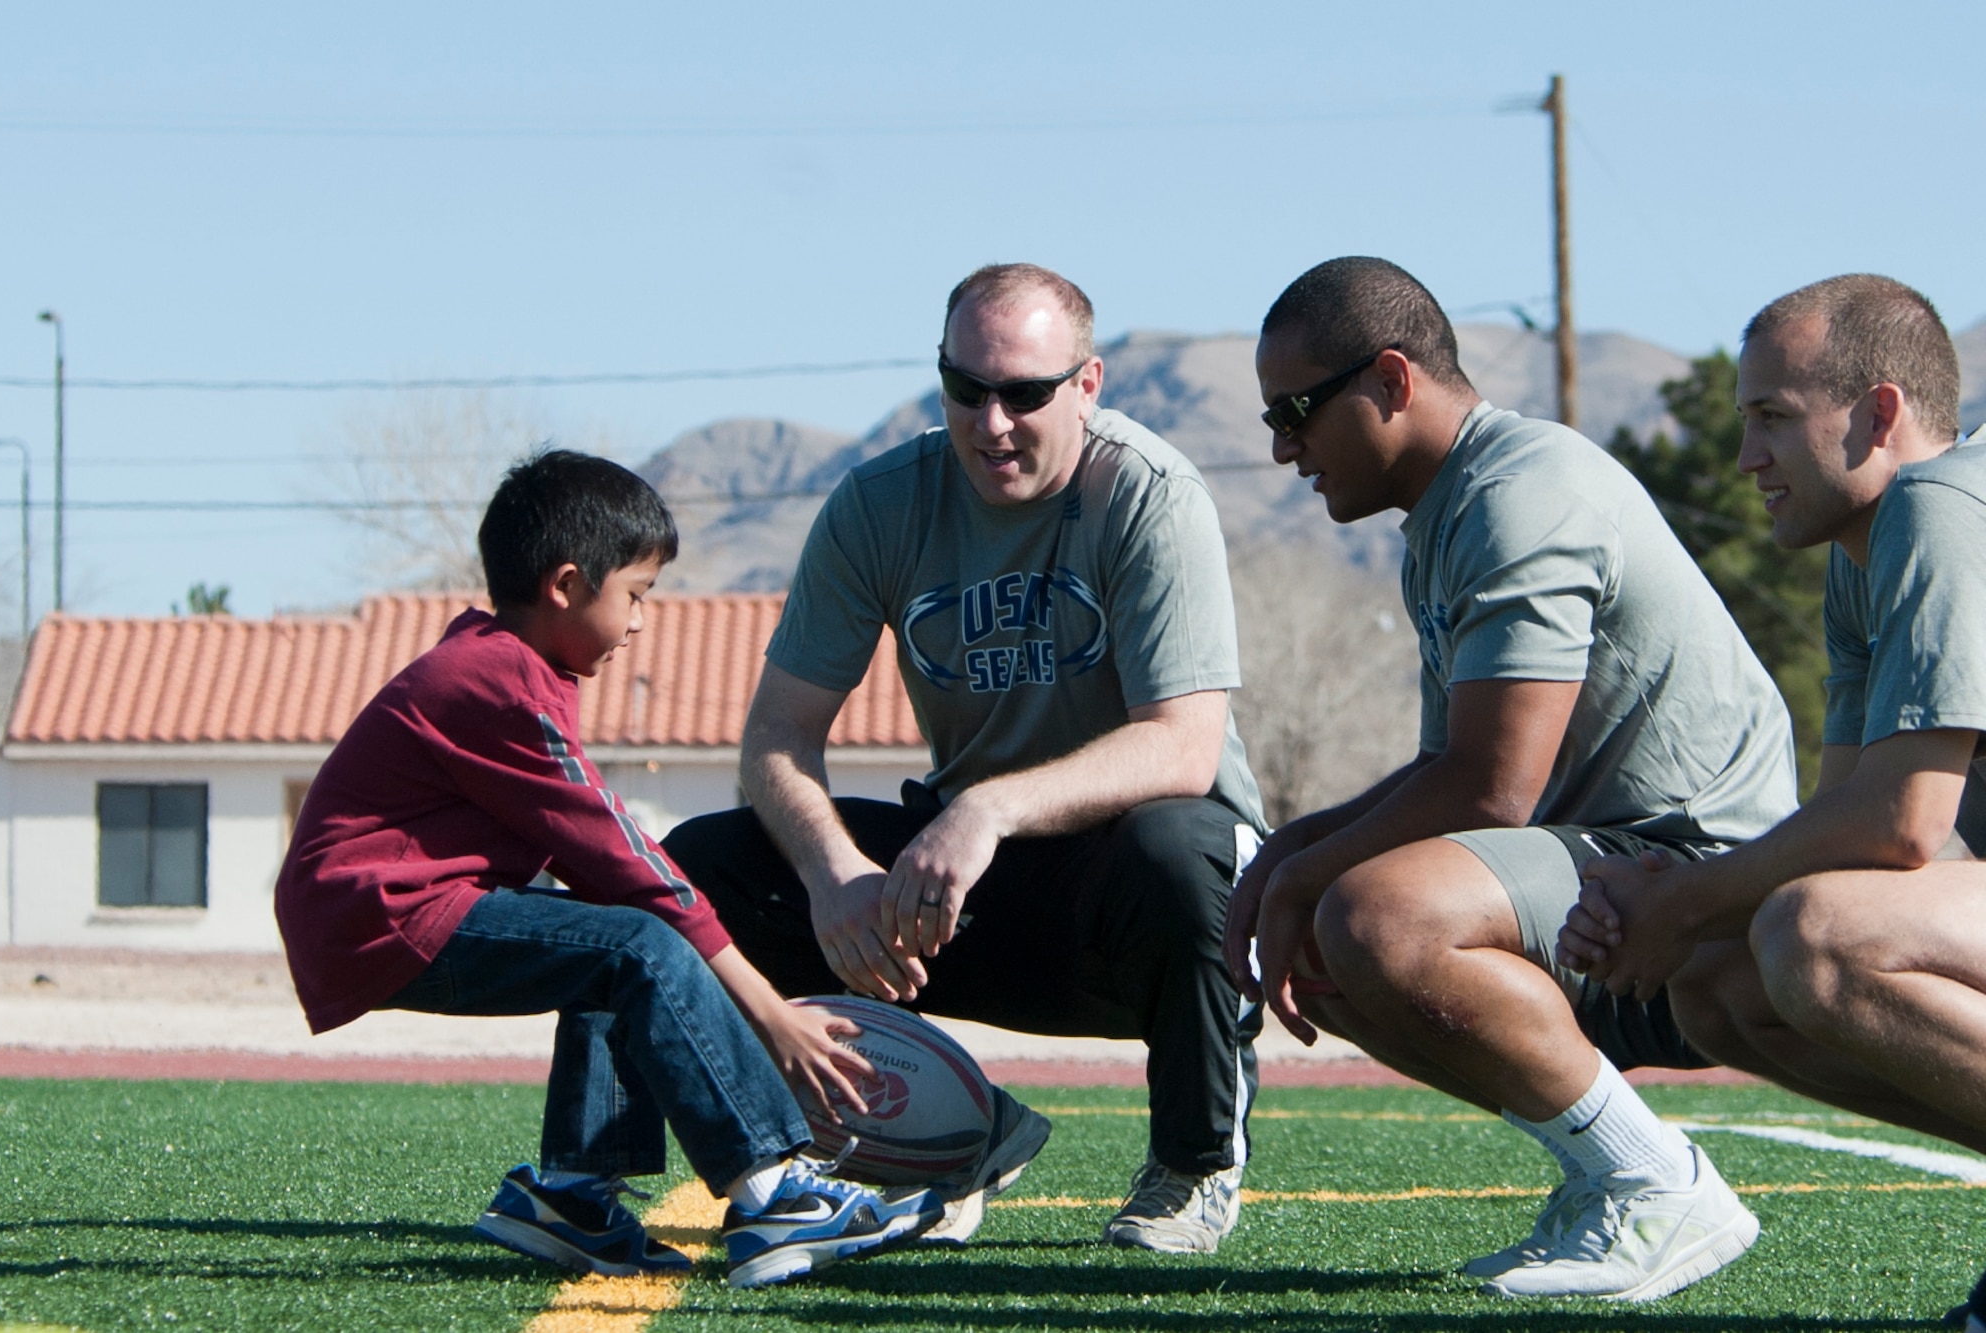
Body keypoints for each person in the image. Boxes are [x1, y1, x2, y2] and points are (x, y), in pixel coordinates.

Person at [661, 262, 1269, 1253]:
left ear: (1087, 384)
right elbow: (775, 737)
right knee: (706, 863)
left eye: (1025, 393)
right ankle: (927, 1144)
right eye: (965, 387)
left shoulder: (1151, 494)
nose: (991, 421)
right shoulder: (878, 503)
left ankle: (1193, 1164)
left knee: (1180, 851)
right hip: (969, 890)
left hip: (1144, 899)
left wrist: (984, 809)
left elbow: (1182, 745)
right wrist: (834, 876)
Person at [1226, 257, 1798, 1301]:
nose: (1279, 448)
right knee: (1314, 920)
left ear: (1391, 381)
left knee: (1377, 913)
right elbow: (1446, 771)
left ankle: (1655, 1184)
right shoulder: (1439, 521)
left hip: (1699, 893)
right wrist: (1286, 853)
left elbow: (1489, 792)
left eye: (1295, 411)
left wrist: (1311, 874)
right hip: (1598, 881)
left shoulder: (1517, 491)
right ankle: (1606, 1175)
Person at [274, 449, 942, 1290]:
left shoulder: (518, 667)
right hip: (377, 907)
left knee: (609, 949)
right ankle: (774, 1191)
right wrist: (770, 1014)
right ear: (564, 584)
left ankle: (572, 1195)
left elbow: (602, 865)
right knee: (635, 942)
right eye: (635, 594)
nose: (637, 624)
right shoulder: (498, 680)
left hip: (380, 903)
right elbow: (625, 858)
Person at [1557, 274, 1986, 1324]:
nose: (1743, 457)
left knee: (1817, 934)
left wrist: (1684, 899)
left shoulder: (1934, 506)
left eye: (1771, 421)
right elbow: (1857, 827)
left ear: (1878, 414)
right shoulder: (1863, 558)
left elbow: (1897, 825)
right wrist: (1681, 898)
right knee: (1720, 977)